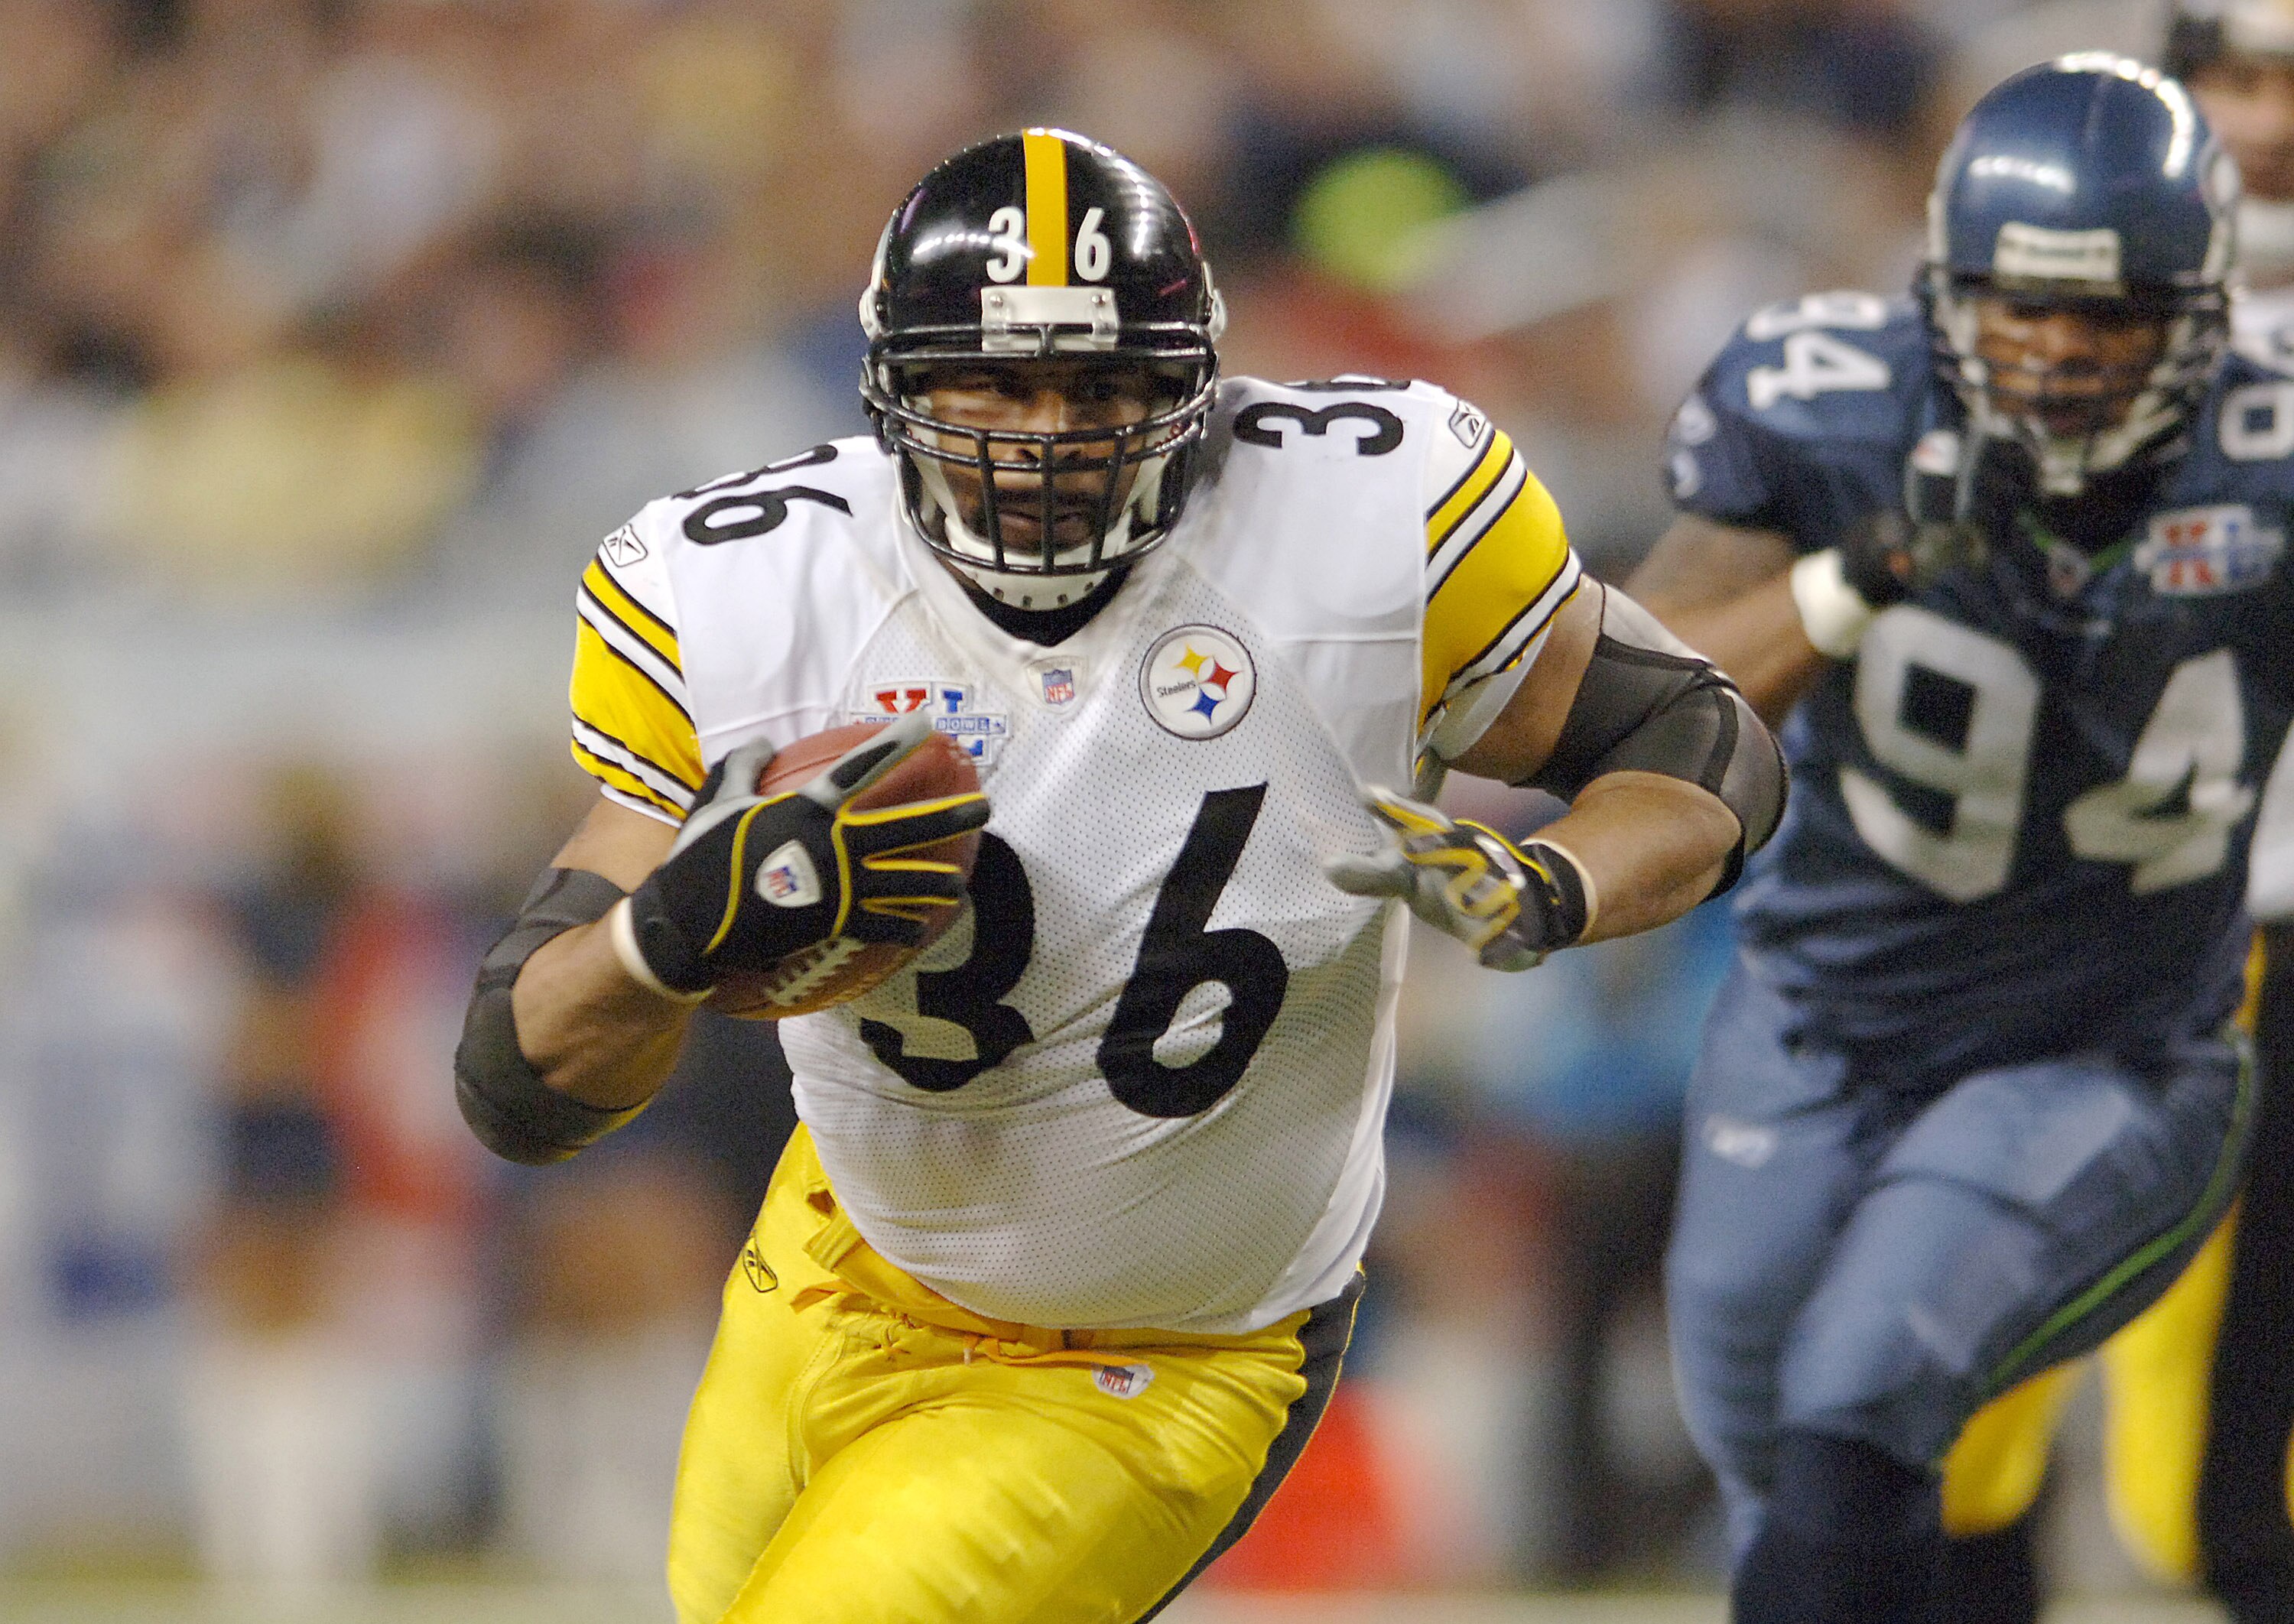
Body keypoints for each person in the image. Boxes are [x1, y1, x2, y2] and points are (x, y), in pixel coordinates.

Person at [449, 128, 1784, 1623]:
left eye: (1097, 387)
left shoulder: (1367, 520)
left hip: (1161, 1355)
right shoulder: (749, 588)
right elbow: (519, 1082)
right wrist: (669, 937)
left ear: (1192, 386)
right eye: (995, 383)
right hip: (838, 1257)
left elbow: (1698, 742)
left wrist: (1556, 885)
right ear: (895, 384)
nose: (1045, 436)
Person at [1627, 57, 2284, 1624]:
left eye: (2114, 314)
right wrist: (1856, 579)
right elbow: (1628, 693)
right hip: (1815, 1021)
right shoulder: (1825, 406)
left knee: (1863, 1402)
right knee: (1778, 1444)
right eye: (2020, 305)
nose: (2062, 353)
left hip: (2102, 1041)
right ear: (1943, 286)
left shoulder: (2263, 453)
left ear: (2201, 307)